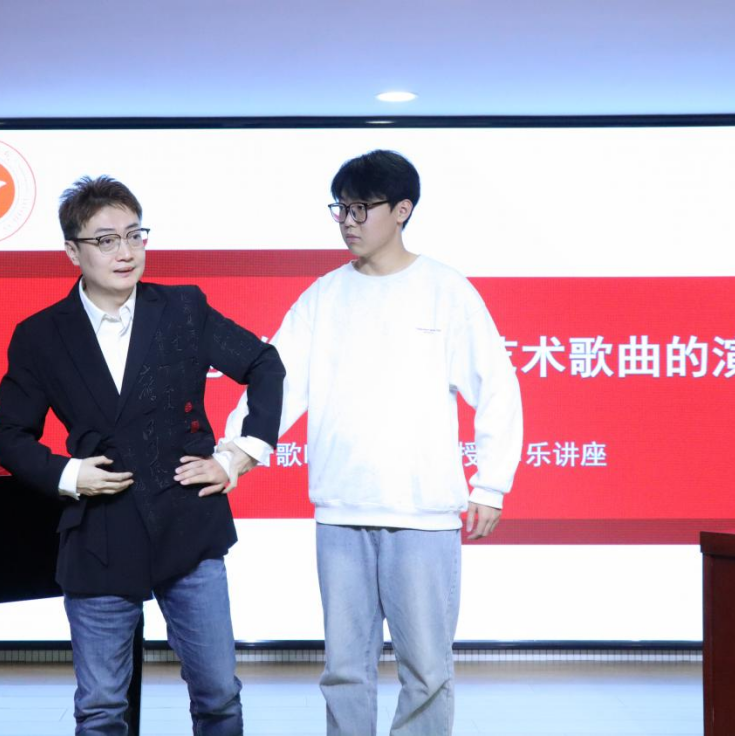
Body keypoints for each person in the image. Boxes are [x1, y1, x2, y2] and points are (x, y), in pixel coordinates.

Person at [224, 150, 523, 735]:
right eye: (341, 208)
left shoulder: (446, 290)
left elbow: (497, 387)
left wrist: (491, 484)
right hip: (341, 510)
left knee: (427, 672)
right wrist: (234, 453)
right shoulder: (324, 295)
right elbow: (277, 383)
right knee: (344, 672)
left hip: (423, 515)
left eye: (361, 208)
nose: (348, 221)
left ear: (402, 210)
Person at [0, 175, 283, 736]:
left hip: (187, 520)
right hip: (100, 530)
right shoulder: (40, 335)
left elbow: (264, 364)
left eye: (134, 235)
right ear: (72, 251)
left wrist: (239, 456)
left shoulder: (183, 308)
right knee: (101, 708)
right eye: (106, 240)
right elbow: (7, 433)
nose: (125, 252)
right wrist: (68, 474)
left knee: (219, 696)